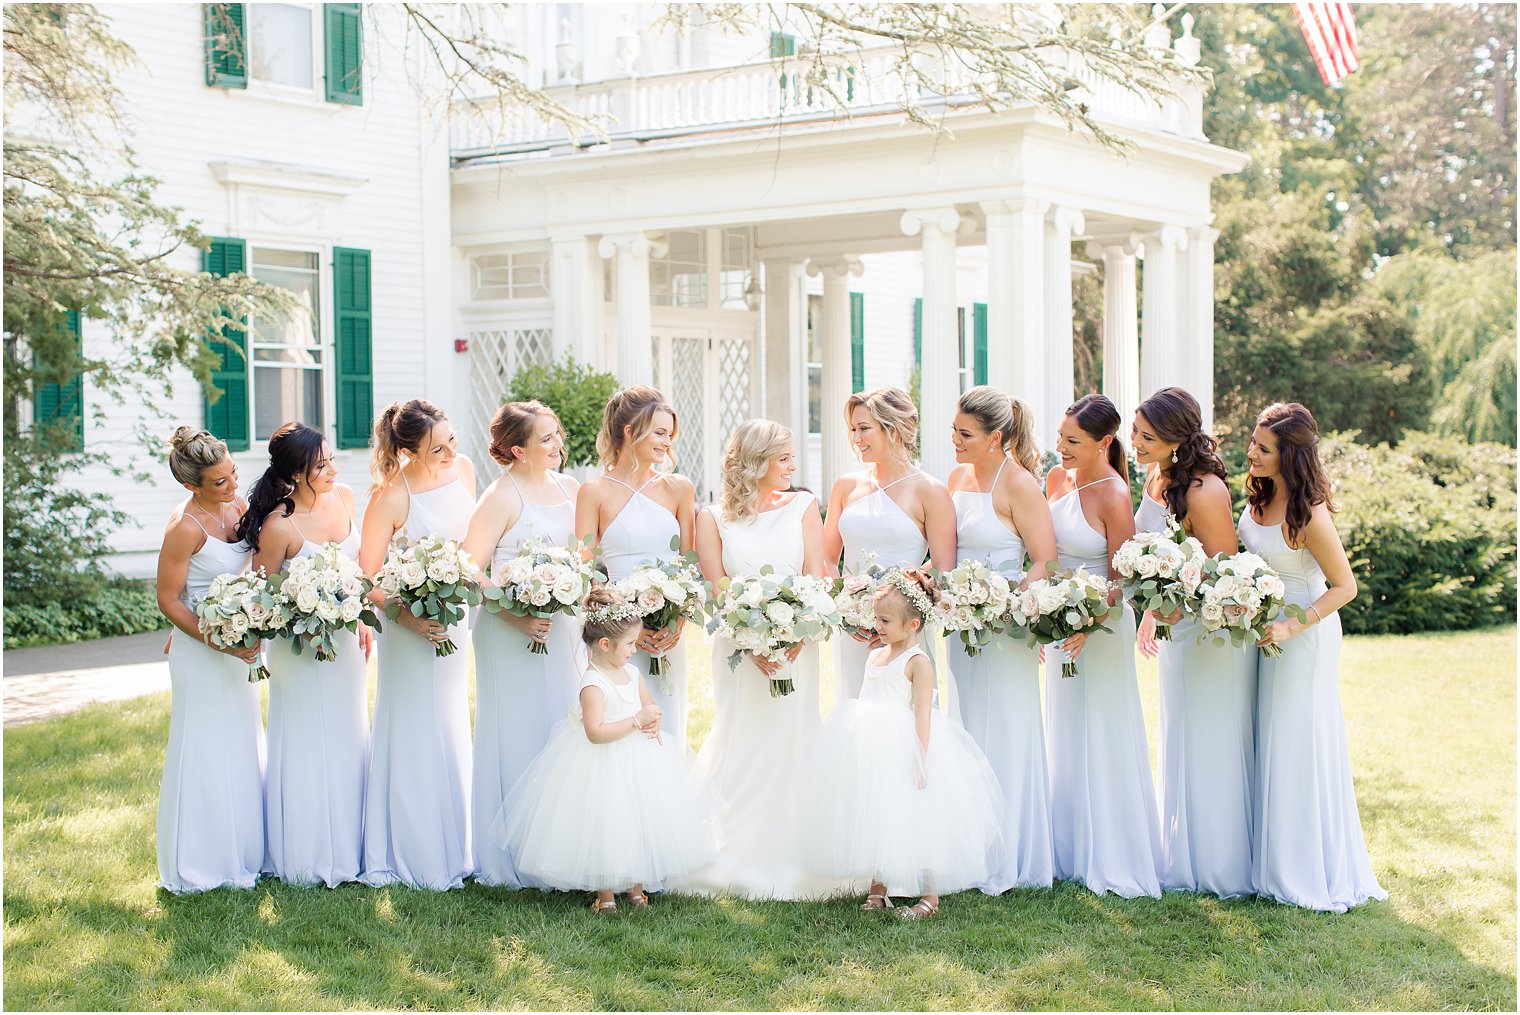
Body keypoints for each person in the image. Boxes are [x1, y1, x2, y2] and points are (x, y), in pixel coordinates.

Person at [678, 419, 847, 899]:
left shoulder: (803, 506)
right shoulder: (711, 517)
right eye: (784, 458)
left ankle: (796, 848)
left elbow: (815, 577)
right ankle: (739, 848)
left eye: (792, 457)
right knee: (742, 735)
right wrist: (750, 641)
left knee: (795, 732)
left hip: (798, 647)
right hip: (738, 650)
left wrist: (797, 632)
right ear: (755, 463)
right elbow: (716, 589)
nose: (793, 467)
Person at [1240, 402, 1386, 912]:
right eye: (1254, 442)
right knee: (1270, 738)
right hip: (1263, 634)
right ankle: (1270, 862)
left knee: (1296, 744)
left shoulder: (1309, 513)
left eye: (1263, 448)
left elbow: (1344, 586)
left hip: (1304, 635)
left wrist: (1290, 623)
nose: (1252, 453)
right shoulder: (1257, 498)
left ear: (1290, 456)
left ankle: (1301, 871)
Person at [491, 587, 713, 913]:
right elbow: (595, 733)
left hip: (637, 760)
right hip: (602, 762)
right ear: (606, 645)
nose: (634, 650)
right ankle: (606, 896)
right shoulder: (592, 684)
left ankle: (637, 891)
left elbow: (648, 705)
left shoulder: (632, 672)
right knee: (605, 825)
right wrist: (637, 721)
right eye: (630, 645)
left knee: (638, 820)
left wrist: (652, 718)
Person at [800, 569, 1005, 920]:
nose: (877, 627)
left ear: (912, 625)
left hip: (904, 746)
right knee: (877, 813)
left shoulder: (917, 662)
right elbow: (866, 700)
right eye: (876, 619)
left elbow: (923, 715)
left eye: (885, 621)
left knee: (915, 818)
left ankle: (930, 894)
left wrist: (920, 758)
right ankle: (878, 888)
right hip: (872, 746)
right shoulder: (876, 655)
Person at [1131, 387, 1257, 898]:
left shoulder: (1206, 491)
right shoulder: (1155, 477)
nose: (1135, 443)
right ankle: (1184, 855)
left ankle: (1222, 866)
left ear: (1177, 441)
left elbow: (1225, 574)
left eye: (1147, 436)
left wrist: (1167, 606)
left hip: (1210, 633)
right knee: (1181, 736)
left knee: (1211, 741)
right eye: (1136, 433)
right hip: (1178, 630)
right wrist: (1152, 606)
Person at [243, 422, 372, 888]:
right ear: (296, 474)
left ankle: (351, 852)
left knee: (347, 737)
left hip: (346, 648)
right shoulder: (280, 525)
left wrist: (356, 617)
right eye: (322, 466)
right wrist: (304, 616)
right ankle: (305, 855)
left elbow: (359, 574)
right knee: (303, 742)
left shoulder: (346, 499)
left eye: (332, 459)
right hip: (300, 650)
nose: (334, 469)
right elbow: (259, 598)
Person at [1044, 394, 1163, 899]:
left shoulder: (1114, 495)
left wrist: (1089, 621)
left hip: (1103, 623)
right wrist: (1049, 610)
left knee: (1103, 726)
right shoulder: (1055, 480)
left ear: (1103, 443)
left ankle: (1113, 852)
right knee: (1066, 726)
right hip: (1057, 619)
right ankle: (1069, 850)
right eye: (1060, 437)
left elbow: (1123, 577)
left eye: (1073, 441)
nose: (1062, 448)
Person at [358, 399, 477, 890]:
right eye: (437, 448)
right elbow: (365, 578)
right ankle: (413, 850)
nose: (451, 452)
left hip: (456, 619)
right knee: (412, 726)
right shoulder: (390, 496)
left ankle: (457, 843)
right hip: (408, 628)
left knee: (449, 720)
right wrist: (408, 617)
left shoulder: (465, 470)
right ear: (407, 450)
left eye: (451, 439)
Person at [462, 400, 581, 887]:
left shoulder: (570, 487)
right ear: (518, 449)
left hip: (562, 630)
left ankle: (558, 846)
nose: (558, 445)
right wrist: (515, 614)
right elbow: (469, 570)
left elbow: (582, 555)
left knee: (560, 726)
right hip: (511, 633)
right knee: (516, 731)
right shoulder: (499, 497)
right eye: (546, 439)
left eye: (557, 435)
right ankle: (508, 855)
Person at [945, 386, 1058, 892]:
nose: (954, 440)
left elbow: (1045, 561)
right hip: (961, 627)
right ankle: (968, 849)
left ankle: (1011, 854)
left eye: (964, 434)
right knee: (966, 728)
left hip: (1007, 631)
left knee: (1007, 733)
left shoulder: (1020, 486)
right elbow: (945, 550)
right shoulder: (955, 478)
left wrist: (1004, 602)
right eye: (953, 429)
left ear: (997, 437)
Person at [153, 426, 265, 893]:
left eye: (234, 474)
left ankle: (243, 852)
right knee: (203, 750)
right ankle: (200, 862)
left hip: (240, 646)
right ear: (191, 486)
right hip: (205, 651)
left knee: (240, 744)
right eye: (220, 482)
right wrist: (218, 640)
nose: (234, 487)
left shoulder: (237, 506)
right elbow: (169, 600)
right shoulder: (184, 528)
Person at [575, 386, 696, 747]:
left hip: (668, 634)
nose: (667, 442)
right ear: (630, 431)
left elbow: (688, 564)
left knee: (667, 721)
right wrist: (624, 628)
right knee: (622, 729)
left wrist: (677, 621)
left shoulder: (679, 488)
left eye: (669, 434)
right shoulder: (593, 491)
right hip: (616, 637)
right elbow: (585, 573)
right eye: (659, 432)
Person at [823, 386, 956, 702]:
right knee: (855, 711)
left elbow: (942, 565)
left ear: (894, 430)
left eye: (864, 428)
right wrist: (848, 610)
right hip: (853, 630)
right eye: (853, 429)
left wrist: (897, 606)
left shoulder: (930, 491)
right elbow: (827, 558)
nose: (856, 438)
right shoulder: (846, 486)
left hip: (906, 630)